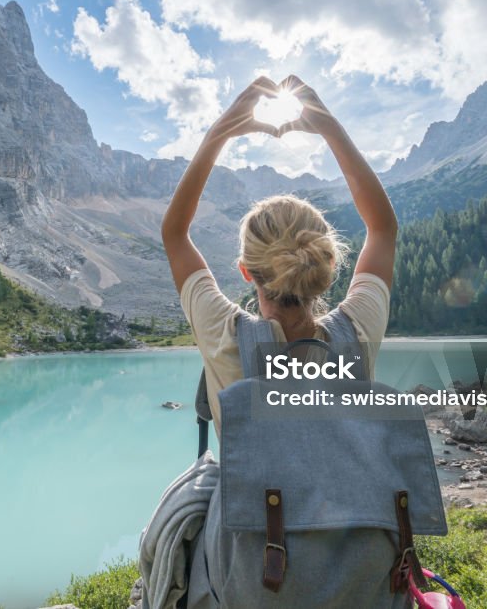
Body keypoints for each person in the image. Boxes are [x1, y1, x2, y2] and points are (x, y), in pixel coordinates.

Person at [161, 74, 397, 434]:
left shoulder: (224, 336)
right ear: (329, 266)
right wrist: (331, 129)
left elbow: (174, 234)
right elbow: (382, 228)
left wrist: (219, 133)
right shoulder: (358, 330)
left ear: (245, 271)